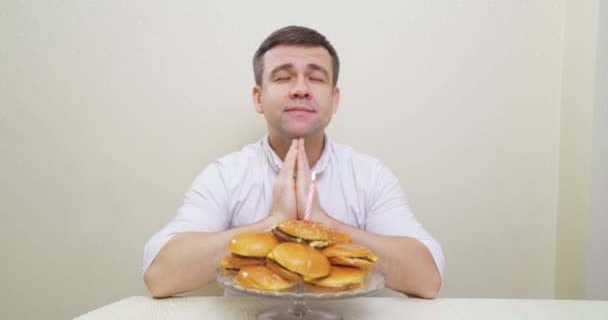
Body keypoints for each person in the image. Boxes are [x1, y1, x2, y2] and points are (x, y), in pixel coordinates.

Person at [143, 25, 444, 299]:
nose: (300, 88)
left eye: (315, 78)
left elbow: (427, 279)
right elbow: (160, 276)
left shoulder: (369, 175)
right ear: (258, 98)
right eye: (283, 77)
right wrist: (274, 224)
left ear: (334, 99)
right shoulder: (226, 175)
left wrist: (325, 225)